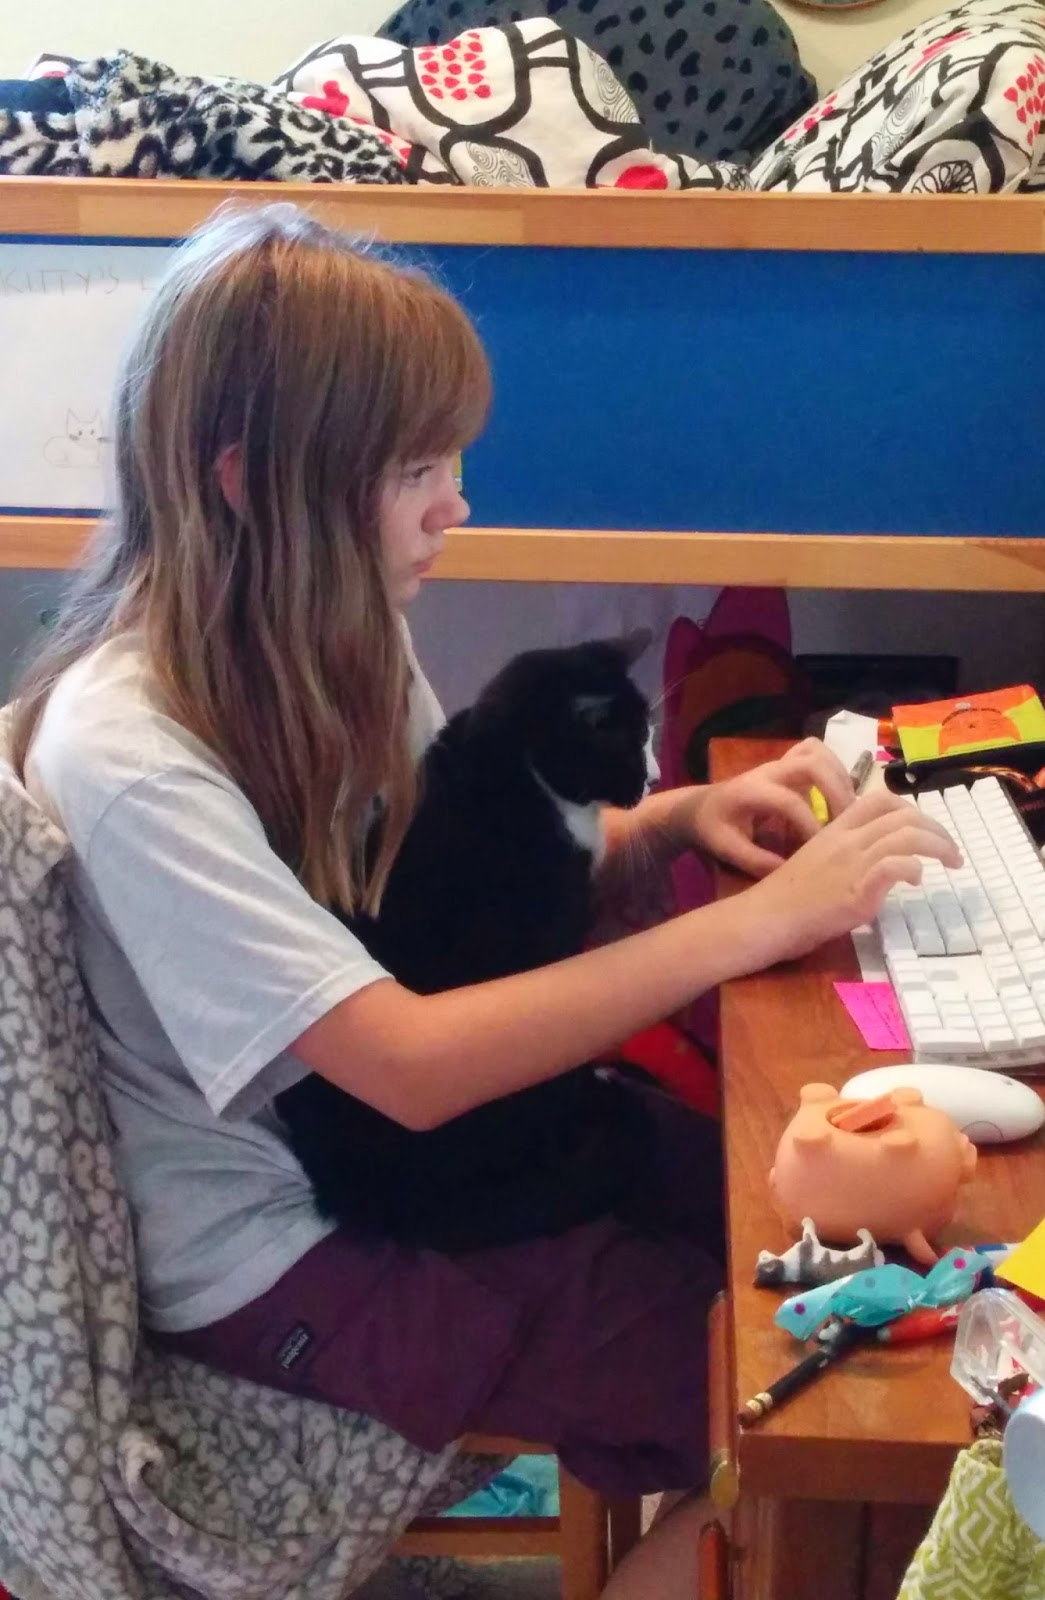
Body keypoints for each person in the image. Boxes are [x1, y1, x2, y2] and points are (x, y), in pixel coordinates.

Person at [8, 204, 959, 1599]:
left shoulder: (330, 631)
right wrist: (753, 923)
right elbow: (405, 1064)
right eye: (416, 471)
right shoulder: (131, 751)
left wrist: (670, 823)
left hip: (412, 1169)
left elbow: (454, 889)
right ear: (248, 483)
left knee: (804, 1242)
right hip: (294, 1252)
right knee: (828, 1413)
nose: (455, 505)